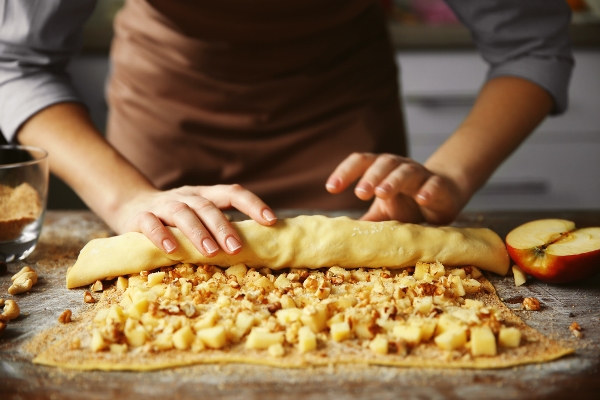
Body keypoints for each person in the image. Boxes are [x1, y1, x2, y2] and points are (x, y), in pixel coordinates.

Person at [0, 0, 573, 257]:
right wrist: (127, 197)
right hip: (161, 130)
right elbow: (16, 58)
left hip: (347, 137)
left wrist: (447, 174)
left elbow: (531, 44)